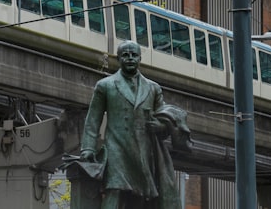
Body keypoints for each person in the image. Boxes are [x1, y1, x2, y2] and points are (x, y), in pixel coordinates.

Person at [77, 41, 188, 209]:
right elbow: (93, 119)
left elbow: (164, 120)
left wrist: (160, 127)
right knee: (115, 188)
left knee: (139, 196)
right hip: (116, 148)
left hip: (143, 150)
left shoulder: (153, 88)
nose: (130, 58)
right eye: (125, 55)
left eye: (134, 55)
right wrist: (88, 149)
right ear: (119, 59)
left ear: (140, 58)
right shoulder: (105, 85)